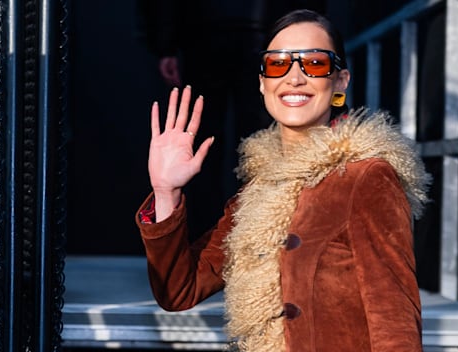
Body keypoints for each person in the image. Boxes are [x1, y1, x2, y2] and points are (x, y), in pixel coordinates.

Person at [135, 9, 431, 352]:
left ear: (340, 81)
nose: (294, 77)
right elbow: (179, 290)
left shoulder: (367, 176)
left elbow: (394, 323)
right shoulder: (259, 189)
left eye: (315, 63)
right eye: (277, 64)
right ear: (262, 83)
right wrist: (167, 191)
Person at [136, 0, 327, 241]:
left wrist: (164, 46)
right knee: (261, 142)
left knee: (208, 145)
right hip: (262, 28)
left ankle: (208, 246)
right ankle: (258, 241)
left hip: (208, 30)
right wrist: (311, 32)